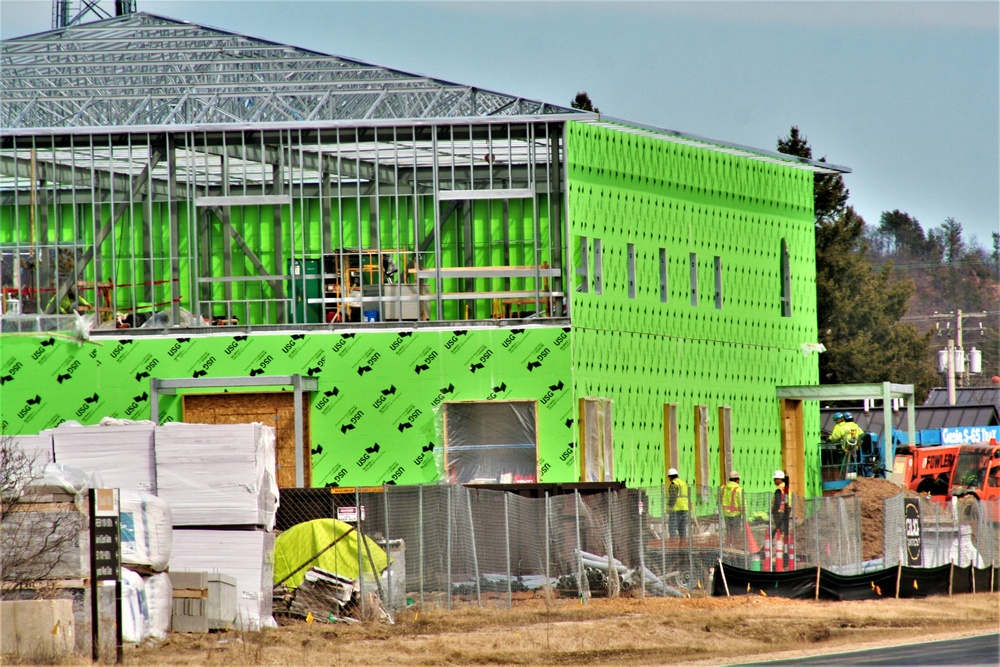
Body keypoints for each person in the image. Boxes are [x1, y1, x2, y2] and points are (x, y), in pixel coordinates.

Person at [721, 470, 744, 546]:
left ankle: (729, 545)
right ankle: (734, 546)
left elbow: (717, 497)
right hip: (736, 514)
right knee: (735, 532)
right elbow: (742, 502)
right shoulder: (738, 489)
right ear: (736, 479)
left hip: (726, 514)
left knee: (729, 531)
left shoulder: (723, 488)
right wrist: (745, 513)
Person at [666, 468, 689, 539]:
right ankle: (683, 547)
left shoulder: (674, 484)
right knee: (682, 530)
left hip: (676, 509)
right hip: (684, 509)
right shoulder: (684, 484)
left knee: (672, 530)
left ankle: (673, 547)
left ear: (670, 477)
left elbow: (673, 496)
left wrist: (669, 506)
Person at [771, 469, 790, 538]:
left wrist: (774, 510)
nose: (774, 481)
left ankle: (781, 543)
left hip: (779, 512)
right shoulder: (786, 487)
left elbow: (777, 502)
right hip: (786, 510)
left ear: (779, 479)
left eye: (775, 479)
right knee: (785, 528)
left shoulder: (779, 489)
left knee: (780, 529)